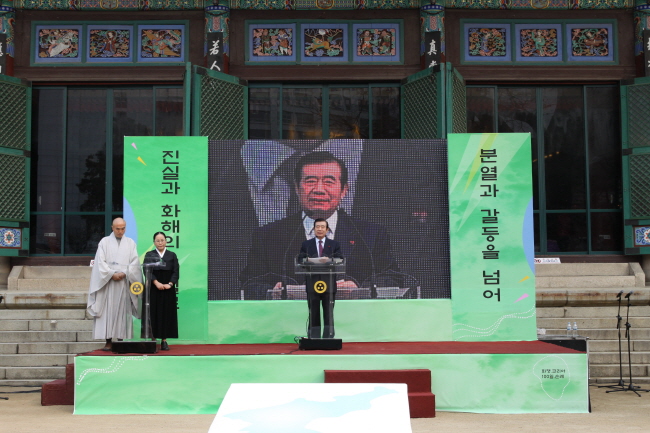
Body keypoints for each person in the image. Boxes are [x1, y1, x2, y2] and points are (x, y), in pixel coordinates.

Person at [240, 151, 400, 300]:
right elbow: (249, 286)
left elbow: (392, 279)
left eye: (329, 182)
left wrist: (359, 289)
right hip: (290, 322)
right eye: (310, 182)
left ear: (344, 190)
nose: (319, 190)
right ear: (297, 188)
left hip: (353, 322)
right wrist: (274, 292)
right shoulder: (268, 236)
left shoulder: (370, 235)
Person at [87, 218, 142, 351]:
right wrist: (111, 273)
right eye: (118, 228)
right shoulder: (104, 242)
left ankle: (121, 339)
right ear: (112, 227)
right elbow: (100, 262)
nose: (120, 231)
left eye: (123, 228)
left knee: (122, 310)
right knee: (107, 311)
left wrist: (124, 273)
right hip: (108, 282)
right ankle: (109, 340)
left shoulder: (130, 243)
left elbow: (134, 262)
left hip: (123, 282)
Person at [298, 218, 344, 339]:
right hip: (312, 283)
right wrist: (308, 260)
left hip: (328, 284)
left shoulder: (334, 244)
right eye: (317, 226)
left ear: (327, 229)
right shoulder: (306, 245)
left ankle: (328, 337)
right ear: (313, 229)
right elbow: (300, 260)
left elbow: (340, 259)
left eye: (322, 227)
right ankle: (314, 337)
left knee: (328, 312)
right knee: (313, 312)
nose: (319, 229)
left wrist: (328, 261)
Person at [142, 232, 179, 351]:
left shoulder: (172, 255)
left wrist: (170, 284)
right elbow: (146, 269)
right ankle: (153, 339)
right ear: (154, 242)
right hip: (154, 288)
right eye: (157, 240)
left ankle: (164, 340)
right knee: (153, 312)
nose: (160, 242)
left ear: (166, 241)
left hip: (168, 289)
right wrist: (156, 282)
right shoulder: (149, 254)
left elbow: (176, 272)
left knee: (166, 314)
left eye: (162, 240)